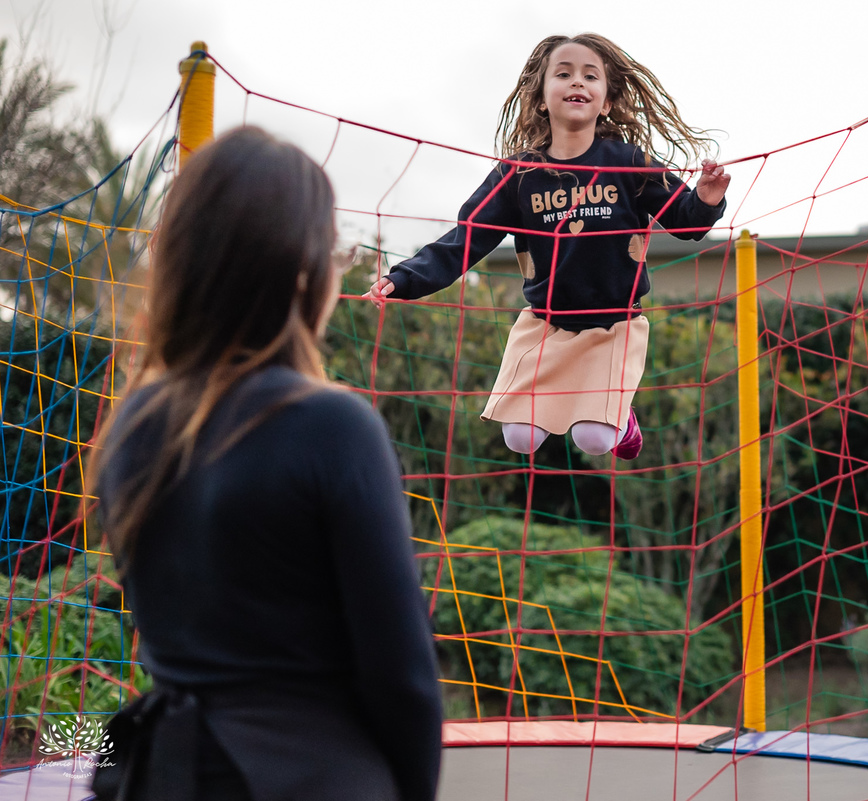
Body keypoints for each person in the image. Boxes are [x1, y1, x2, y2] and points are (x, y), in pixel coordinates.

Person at [89, 127, 442, 801]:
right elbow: (402, 676)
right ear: (303, 271)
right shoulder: (331, 425)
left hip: (162, 775)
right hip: (310, 775)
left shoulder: (129, 425)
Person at [365, 33, 731, 460]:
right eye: (564, 73)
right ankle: (591, 409)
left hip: (614, 323)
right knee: (519, 438)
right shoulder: (518, 174)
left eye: (589, 76)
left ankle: (622, 418)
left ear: (606, 101)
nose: (577, 82)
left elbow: (685, 221)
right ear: (541, 98)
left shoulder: (628, 161)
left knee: (594, 440)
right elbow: (466, 239)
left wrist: (706, 198)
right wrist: (403, 279)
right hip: (546, 323)